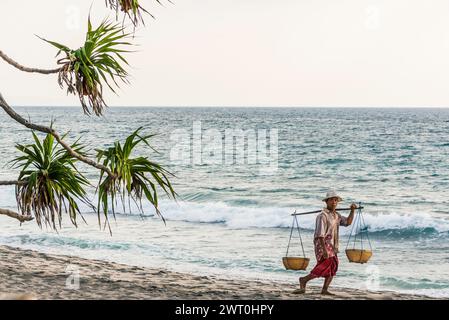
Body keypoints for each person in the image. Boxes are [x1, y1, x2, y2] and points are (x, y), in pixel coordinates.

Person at [297, 190, 357, 295]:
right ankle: (304, 280)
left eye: (336, 200)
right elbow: (320, 234)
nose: (334, 202)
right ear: (327, 202)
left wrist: (352, 211)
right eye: (331, 200)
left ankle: (324, 289)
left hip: (333, 245)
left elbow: (348, 222)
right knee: (324, 265)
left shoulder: (336, 215)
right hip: (323, 244)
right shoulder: (322, 216)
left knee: (333, 266)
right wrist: (324, 249)